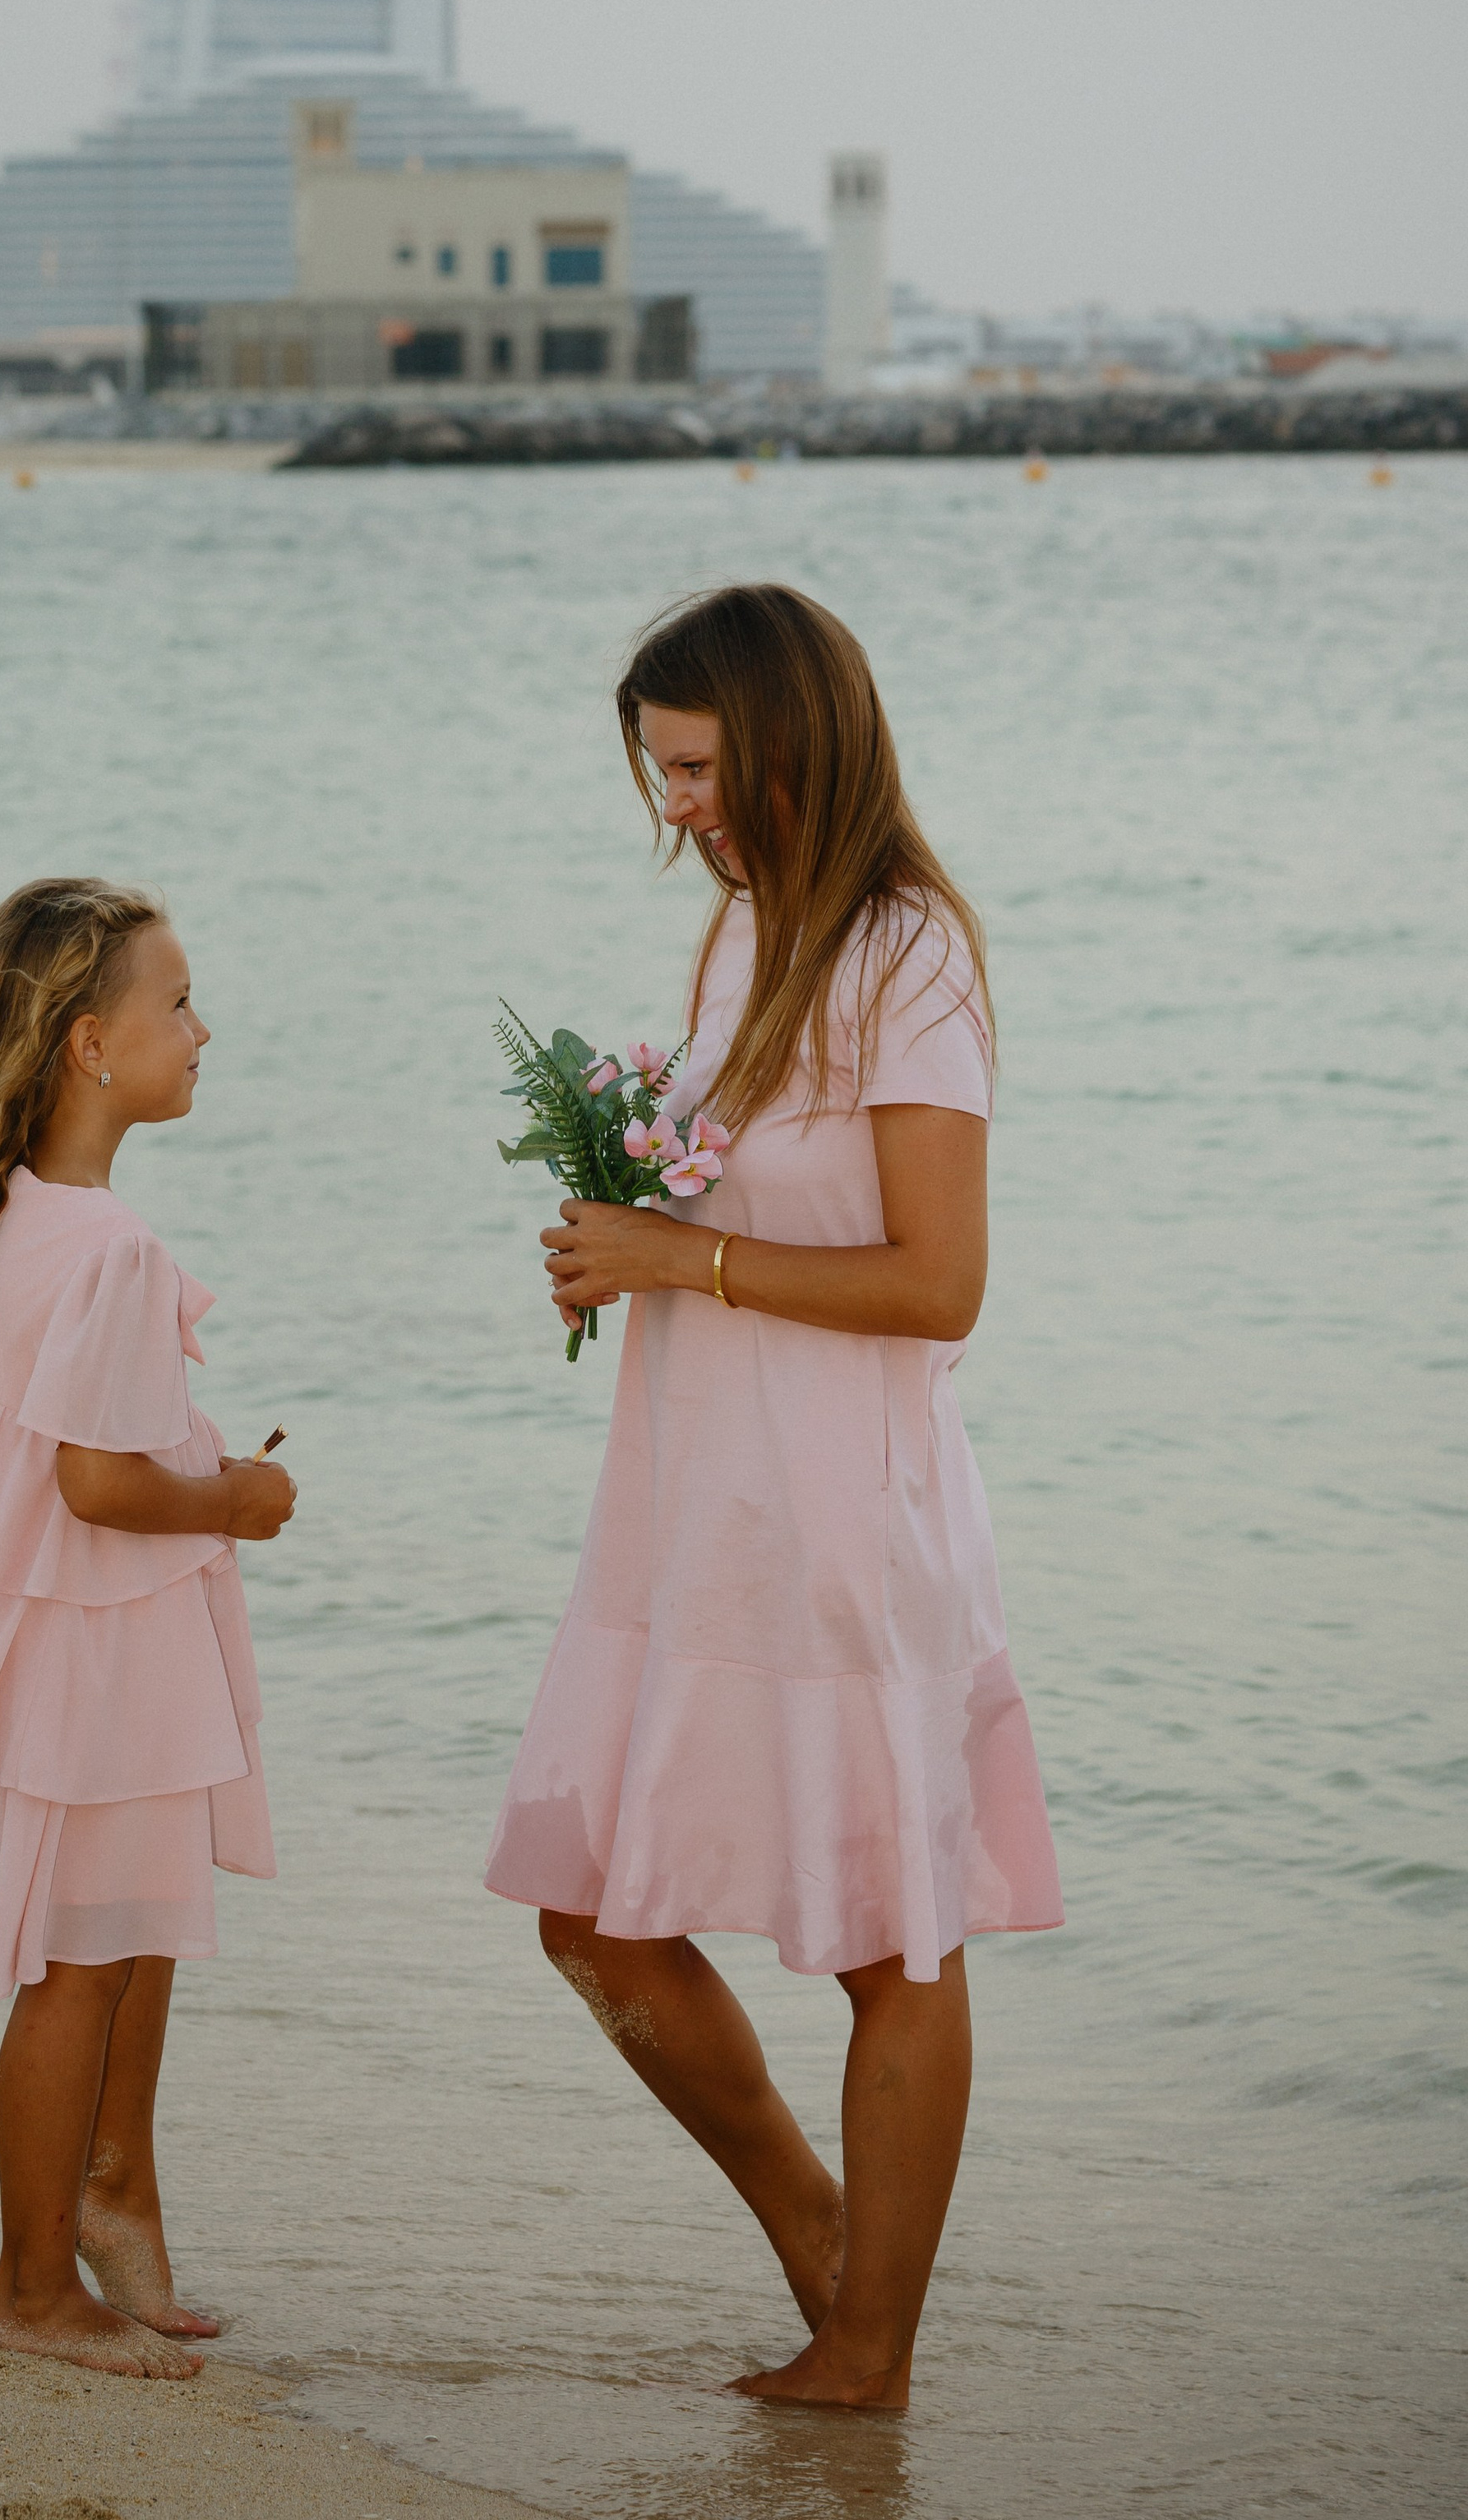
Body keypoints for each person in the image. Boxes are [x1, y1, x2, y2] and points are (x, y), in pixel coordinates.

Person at [485, 584, 1062, 2412]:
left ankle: (867, 2346)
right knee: (592, 1909)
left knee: (888, 1933)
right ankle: (827, 2242)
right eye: (654, 772)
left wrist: (691, 1259)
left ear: (793, 741)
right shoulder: (742, 938)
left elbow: (937, 1283)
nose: (673, 807)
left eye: (695, 766)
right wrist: (623, 1249)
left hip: (837, 1524)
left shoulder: (908, 961)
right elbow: (719, 1208)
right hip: (689, 1506)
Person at [0, 879, 297, 2379]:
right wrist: (235, 1495)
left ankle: (116, 2196)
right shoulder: (105, 1248)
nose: (203, 1028)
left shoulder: (25, 1213)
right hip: (94, 1638)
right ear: (89, 1046)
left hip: (84, 1633)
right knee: (79, 1964)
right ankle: (30, 2282)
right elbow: (97, 1478)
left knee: (138, 1922)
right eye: (176, 1003)